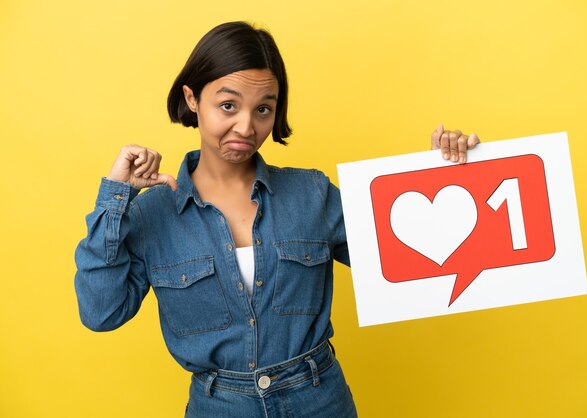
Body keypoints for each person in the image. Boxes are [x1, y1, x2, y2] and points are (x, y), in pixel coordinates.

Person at [74, 21, 479, 418]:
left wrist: (445, 174)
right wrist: (116, 197)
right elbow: (102, 313)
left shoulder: (313, 194)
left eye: (263, 109)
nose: (247, 127)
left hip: (319, 400)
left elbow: (413, 259)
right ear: (192, 98)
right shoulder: (150, 215)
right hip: (219, 406)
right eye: (228, 105)